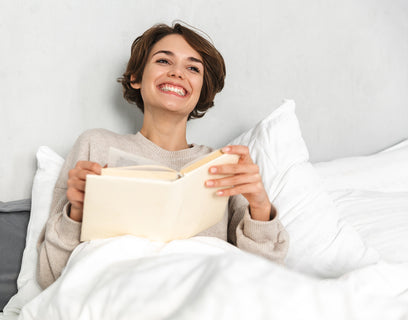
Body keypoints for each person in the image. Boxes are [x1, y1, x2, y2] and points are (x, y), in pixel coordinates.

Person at [36, 23, 289, 289]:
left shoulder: (222, 166)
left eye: (193, 68)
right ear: (136, 77)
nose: (177, 73)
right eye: (163, 60)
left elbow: (264, 282)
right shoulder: (95, 146)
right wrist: (76, 212)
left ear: (203, 89)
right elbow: (50, 277)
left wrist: (260, 206)